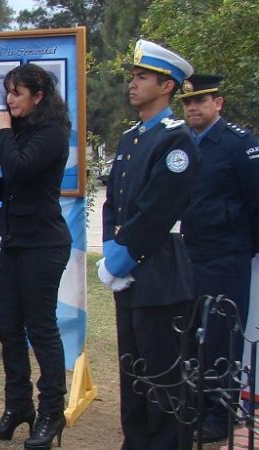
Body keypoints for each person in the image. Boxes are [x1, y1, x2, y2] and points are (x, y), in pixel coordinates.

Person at [98, 39, 199, 449]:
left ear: (167, 86)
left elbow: (157, 211)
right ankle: (136, 440)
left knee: (163, 374)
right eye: (133, 77)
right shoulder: (132, 137)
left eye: (143, 77)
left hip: (158, 273)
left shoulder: (177, 140)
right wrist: (108, 248)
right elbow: (114, 203)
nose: (133, 84)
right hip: (132, 277)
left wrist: (120, 259)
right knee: (133, 370)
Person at [0, 63, 72, 450]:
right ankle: (18, 406)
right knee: (8, 326)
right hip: (16, 242)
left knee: (41, 328)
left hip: (44, 246)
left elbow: (22, 166)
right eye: (8, 93)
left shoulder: (51, 132)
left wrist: (0, 131)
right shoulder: (26, 132)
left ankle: (51, 411)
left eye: (17, 93)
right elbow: (20, 181)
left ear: (39, 96)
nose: (10, 100)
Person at [178, 74, 259, 443]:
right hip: (191, 252)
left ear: (218, 104)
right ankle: (194, 404)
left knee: (223, 337)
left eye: (201, 101)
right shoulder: (183, 143)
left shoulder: (238, 145)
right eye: (188, 103)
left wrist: (244, 248)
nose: (193, 108)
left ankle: (220, 414)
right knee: (194, 336)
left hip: (228, 255)